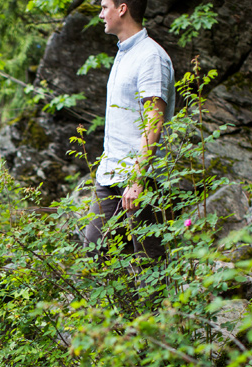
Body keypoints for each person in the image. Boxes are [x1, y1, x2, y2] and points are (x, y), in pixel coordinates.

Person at [84, 0, 176, 263]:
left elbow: (154, 121)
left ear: (122, 9)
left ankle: (159, 306)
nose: (101, 14)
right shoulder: (125, 53)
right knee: (95, 250)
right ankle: (121, 305)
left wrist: (138, 180)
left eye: (104, 7)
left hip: (142, 179)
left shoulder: (151, 57)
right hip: (111, 174)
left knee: (149, 259)